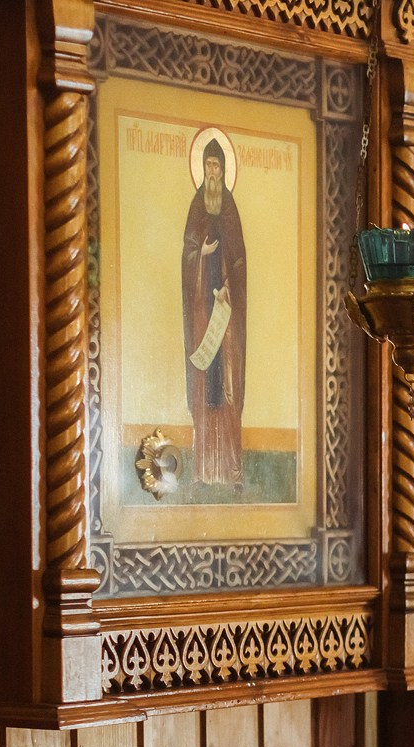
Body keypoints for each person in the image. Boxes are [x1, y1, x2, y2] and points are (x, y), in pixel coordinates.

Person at [181, 136, 248, 489]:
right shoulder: (196, 206)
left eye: (217, 166)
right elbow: (187, 253)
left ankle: (233, 472)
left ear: (223, 171)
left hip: (226, 313)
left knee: (229, 386)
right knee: (205, 384)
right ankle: (203, 472)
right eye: (207, 166)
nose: (211, 172)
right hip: (202, 313)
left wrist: (228, 287)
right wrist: (202, 253)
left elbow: (239, 259)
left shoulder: (230, 207)